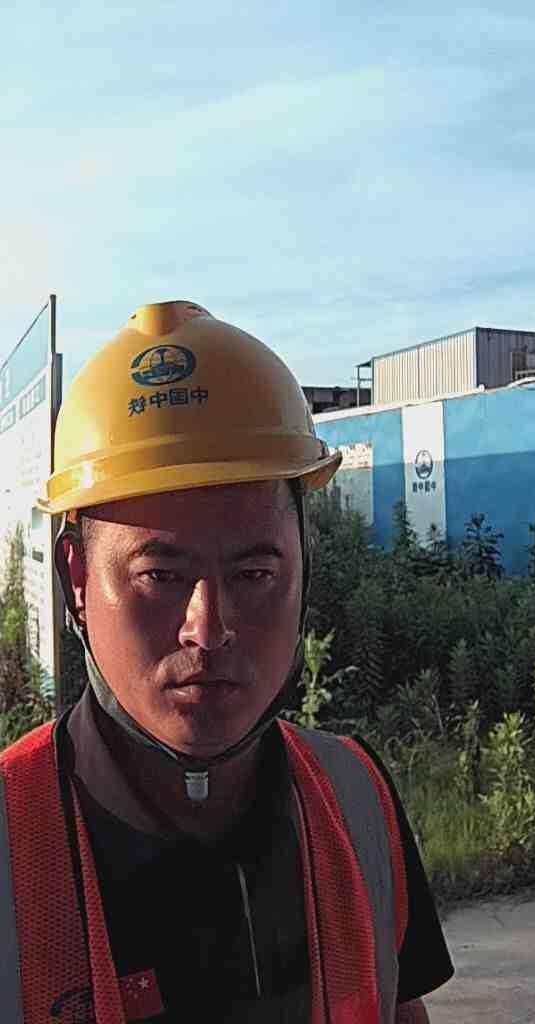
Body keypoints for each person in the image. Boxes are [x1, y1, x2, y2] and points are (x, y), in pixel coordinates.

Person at [0, 301, 453, 1023]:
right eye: (160, 574)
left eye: (253, 574)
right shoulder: (11, 842)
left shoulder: (356, 803)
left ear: (303, 566)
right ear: (76, 578)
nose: (208, 631)